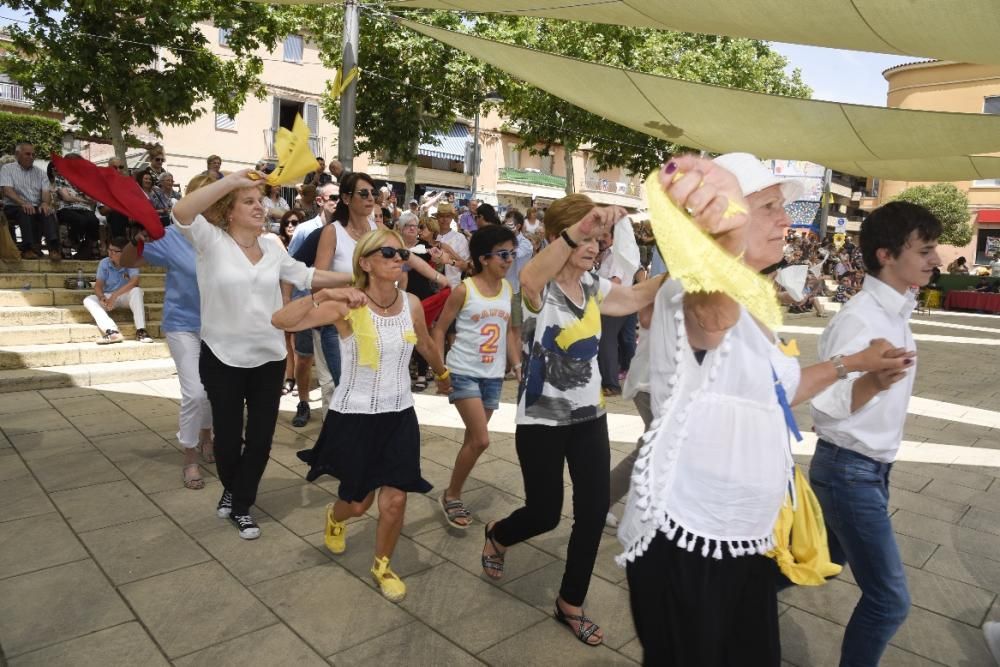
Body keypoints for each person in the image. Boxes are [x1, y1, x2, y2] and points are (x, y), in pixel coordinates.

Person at [617, 153, 913, 666]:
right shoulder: (694, 290)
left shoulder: (751, 302)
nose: (786, 220)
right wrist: (723, 241)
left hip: (745, 540)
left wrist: (856, 364)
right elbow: (709, 321)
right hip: (687, 543)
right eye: (770, 206)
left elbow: (782, 388)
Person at [480, 194, 665, 647]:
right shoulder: (537, 288)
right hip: (541, 422)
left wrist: (688, 262)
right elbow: (530, 274)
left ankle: (570, 602)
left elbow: (639, 295)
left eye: (599, 238)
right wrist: (579, 227)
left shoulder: (596, 287)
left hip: (589, 419)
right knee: (544, 514)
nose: (596, 245)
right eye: (589, 236)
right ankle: (499, 535)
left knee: (590, 512)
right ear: (562, 237)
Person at [171, 168, 354, 540]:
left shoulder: (272, 245)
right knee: (225, 438)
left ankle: (241, 505)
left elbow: (305, 275)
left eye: (260, 201)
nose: (259, 207)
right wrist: (233, 180)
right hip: (221, 356)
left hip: (269, 358)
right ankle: (233, 487)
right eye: (249, 202)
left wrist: (355, 278)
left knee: (260, 438)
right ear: (229, 210)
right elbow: (182, 212)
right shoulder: (211, 241)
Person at [273, 228, 451, 602]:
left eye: (402, 252)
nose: (398, 258)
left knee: (395, 500)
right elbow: (282, 321)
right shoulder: (347, 305)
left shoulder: (412, 303)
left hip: (400, 414)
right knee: (359, 503)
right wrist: (322, 293)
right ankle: (335, 518)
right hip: (354, 416)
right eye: (388, 252)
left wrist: (443, 373)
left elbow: (424, 340)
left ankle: (383, 565)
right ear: (366, 262)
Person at [810, 202, 942, 667]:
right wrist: (871, 380)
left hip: (868, 469)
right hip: (849, 471)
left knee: (819, 564)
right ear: (886, 254)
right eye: (924, 250)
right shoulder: (862, 318)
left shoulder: (896, 311)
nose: (936, 260)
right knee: (889, 601)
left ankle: (732, 601)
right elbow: (824, 403)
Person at [120, 174, 215, 490]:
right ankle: (189, 457)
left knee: (214, 392)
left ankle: (206, 436)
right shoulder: (171, 236)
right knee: (195, 393)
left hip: (219, 326)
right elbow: (127, 260)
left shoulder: (226, 235)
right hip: (183, 325)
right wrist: (139, 239)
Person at [433, 225, 519, 528]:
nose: (509, 260)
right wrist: (441, 371)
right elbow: (439, 328)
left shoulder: (508, 291)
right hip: (464, 373)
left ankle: (452, 491)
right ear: (484, 258)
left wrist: (517, 364)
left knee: (472, 440)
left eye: (512, 253)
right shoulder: (463, 290)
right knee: (482, 440)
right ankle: (452, 495)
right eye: (503, 254)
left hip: (492, 377)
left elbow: (508, 331)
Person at [83, 236, 153, 345]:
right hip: (108, 296)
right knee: (88, 300)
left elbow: (135, 281)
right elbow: (98, 286)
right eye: (109, 250)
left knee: (137, 291)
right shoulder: (104, 263)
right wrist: (102, 298)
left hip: (125, 296)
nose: (110, 253)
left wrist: (115, 296)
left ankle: (141, 331)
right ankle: (112, 332)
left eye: (114, 251)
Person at [1, 141, 59, 260]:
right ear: (17, 155)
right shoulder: (7, 169)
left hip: (35, 205)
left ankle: (53, 249)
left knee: (47, 211)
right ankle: (28, 249)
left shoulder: (40, 173)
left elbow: (46, 192)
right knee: (25, 211)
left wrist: (44, 203)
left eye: (33, 154)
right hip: (14, 205)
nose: (31, 157)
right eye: (27, 154)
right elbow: (7, 190)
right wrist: (23, 203)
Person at [52, 156, 101, 259]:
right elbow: (67, 198)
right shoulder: (60, 178)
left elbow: (90, 196)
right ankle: (68, 242)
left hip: (83, 208)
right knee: (80, 220)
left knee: (94, 221)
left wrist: (90, 198)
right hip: (66, 208)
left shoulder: (82, 179)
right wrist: (83, 199)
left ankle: (89, 246)